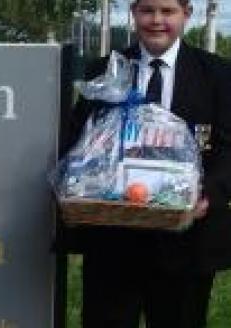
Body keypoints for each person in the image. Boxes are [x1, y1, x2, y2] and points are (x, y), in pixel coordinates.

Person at [61, 0, 231, 327]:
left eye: (167, 11)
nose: (156, 20)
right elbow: (77, 142)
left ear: (187, 14)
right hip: (113, 240)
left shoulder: (218, 74)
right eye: (147, 10)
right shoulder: (104, 70)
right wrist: (78, 183)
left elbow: (228, 149)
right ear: (133, 13)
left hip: (186, 242)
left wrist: (206, 193)